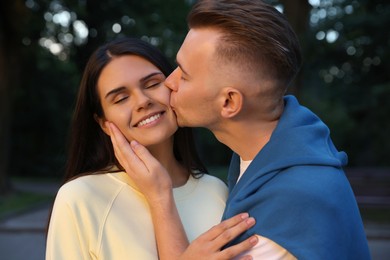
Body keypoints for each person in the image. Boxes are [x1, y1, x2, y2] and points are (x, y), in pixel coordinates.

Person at [111, 0, 371, 259]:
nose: (169, 81)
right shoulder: (272, 160)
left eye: (185, 75)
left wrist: (159, 197)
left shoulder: (285, 214)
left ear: (229, 102)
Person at [45, 37, 258, 260]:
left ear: (174, 85)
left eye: (152, 84)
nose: (142, 101)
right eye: (121, 98)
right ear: (103, 124)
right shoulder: (80, 198)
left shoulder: (217, 191)